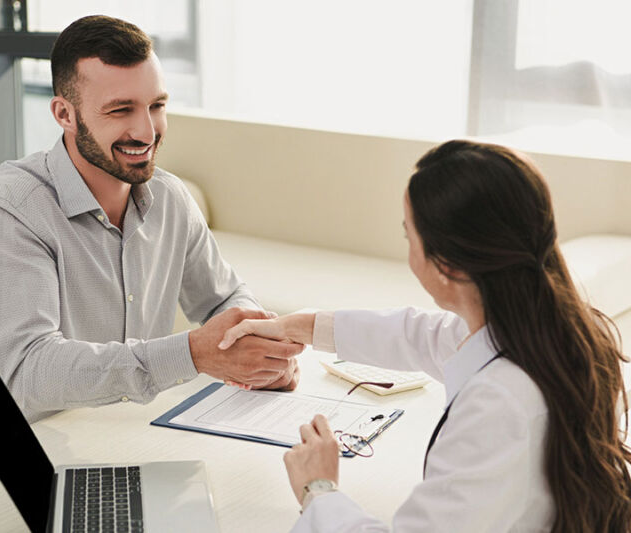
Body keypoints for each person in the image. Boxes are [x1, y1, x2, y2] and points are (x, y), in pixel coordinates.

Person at [219, 140, 631, 532]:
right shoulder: (566, 330)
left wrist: (318, 489)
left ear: (446, 265)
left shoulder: (497, 404)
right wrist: (298, 326)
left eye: (409, 236)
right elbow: (422, 335)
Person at [0, 15, 301, 425]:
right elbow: (30, 370)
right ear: (65, 114)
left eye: (156, 106)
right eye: (121, 110)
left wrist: (261, 348)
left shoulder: (170, 198)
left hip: (137, 431)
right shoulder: (6, 211)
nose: (146, 131)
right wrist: (192, 354)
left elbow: (223, 299)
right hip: (30, 456)